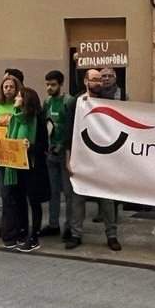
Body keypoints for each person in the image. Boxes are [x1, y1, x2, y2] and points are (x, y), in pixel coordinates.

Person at [61, 68, 120, 251]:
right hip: (81, 158)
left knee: (107, 200)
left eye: (100, 79)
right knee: (78, 198)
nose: (98, 83)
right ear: (86, 81)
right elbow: (68, 131)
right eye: (94, 79)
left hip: (103, 159)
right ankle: (76, 234)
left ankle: (111, 236)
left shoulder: (110, 102)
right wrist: (68, 158)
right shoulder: (75, 103)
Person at [1, 87, 49, 252]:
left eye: (19, 96)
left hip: (33, 166)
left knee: (33, 202)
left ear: (26, 99)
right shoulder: (14, 118)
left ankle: (34, 236)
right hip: (16, 165)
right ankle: (22, 232)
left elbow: (44, 145)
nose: (16, 98)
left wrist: (31, 146)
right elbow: (9, 138)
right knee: (19, 199)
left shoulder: (37, 119)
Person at [41, 70, 72, 236]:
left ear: (61, 84)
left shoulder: (68, 101)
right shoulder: (47, 102)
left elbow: (71, 128)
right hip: (50, 152)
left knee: (68, 192)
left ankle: (69, 226)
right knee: (53, 191)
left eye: (53, 85)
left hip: (65, 153)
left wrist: (62, 146)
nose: (49, 88)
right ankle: (53, 224)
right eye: (47, 85)